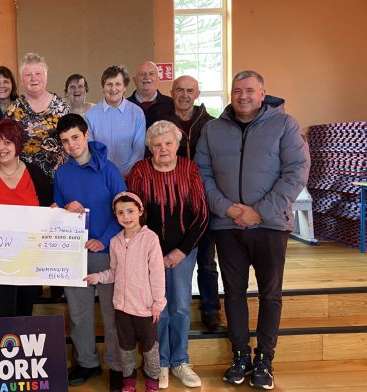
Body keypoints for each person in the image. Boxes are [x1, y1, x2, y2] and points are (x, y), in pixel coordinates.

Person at [195, 70, 310, 390]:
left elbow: (296, 172)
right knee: (232, 293)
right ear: (230, 95)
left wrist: (259, 211)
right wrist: (227, 208)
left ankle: (265, 358)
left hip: (270, 226)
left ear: (262, 94)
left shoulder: (284, 125)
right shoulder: (213, 129)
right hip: (227, 224)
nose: (242, 96)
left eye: (249, 90)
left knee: (270, 293)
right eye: (236, 90)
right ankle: (241, 355)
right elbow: (202, 173)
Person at [127, 120, 209, 389]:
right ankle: (159, 362)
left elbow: (202, 215)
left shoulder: (189, 169)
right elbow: (133, 214)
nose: (163, 149)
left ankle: (180, 360)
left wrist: (180, 252)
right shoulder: (139, 171)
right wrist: (150, 253)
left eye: (168, 143)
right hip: (149, 254)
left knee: (181, 306)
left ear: (177, 145)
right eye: (157, 144)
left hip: (184, 253)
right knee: (156, 309)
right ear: (150, 147)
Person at [53, 114, 126, 390]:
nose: (71, 145)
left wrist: (104, 239)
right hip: (74, 253)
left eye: (75, 137)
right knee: (79, 313)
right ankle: (87, 362)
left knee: (111, 312)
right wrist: (60, 209)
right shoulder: (61, 174)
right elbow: (57, 210)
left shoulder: (109, 170)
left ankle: (117, 365)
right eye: (65, 141)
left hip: (106, 251)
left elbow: (123, 209)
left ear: (86, 135)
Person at [0, 119, 53, 317]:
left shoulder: (36, 176)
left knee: (25, 314)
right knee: (0, 315)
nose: (1, 148)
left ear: (17, 145)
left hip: (30, 261)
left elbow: (49, 212)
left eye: (7, 142)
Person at [153, 75, 221, 331]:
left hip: (203, 199)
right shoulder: (162, 124)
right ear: (171, 92)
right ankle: (168, 311)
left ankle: (211, 310)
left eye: (189, 90)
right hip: (170, 203)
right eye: (179, 90)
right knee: (170, 259)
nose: (184, 95)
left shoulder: (211, 124)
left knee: (206, 258)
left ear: (197, 93)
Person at [86, 192, 166, 392]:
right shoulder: (115, 241)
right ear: (115, 215)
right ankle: (128, 379)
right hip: (122, 307)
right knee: (125, 348)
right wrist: (97, 277)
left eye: (130, 211)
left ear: (140, 211)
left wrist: (158, 303)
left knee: (150, 348)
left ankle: (152, 379)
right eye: (121, 212)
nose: (126, 216)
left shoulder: (150, 239)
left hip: (146, 308)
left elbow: (157, 273)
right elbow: (113, 272)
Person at [6, 53, 70, 179]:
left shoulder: (61, 107)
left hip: (57, 178)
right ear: (22, 80)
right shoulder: (13, 109)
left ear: (46, 77)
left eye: (38, 74)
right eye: (28, 75)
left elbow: (70, 142)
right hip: (23, 179)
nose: (33, 78)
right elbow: (6, 144)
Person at [84, 65, 146, 179]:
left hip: (130, 177)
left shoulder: (137, 113)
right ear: (103, 87)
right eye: (109, 84)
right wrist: (107, 174)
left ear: (124, 87)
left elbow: (139, 150)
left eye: (118, 84)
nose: (113, 89)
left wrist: (125, 173)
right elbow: (89, 149)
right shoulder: (90, 115)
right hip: (100, 176)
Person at [126, 61, 174, 128]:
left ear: (158, 79)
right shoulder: (125, 105)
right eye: (142, 74)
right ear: (135, 80)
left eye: (151, 73)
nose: (146, 77)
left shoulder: (171, 104)